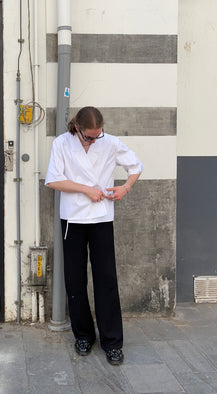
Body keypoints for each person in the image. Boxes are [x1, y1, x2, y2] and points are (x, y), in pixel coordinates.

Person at [45, 106, 144, 365]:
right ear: (77, 128)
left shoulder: (109, 142)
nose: (93, 139)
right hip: (73, 219)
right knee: (75, 281)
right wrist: (86, 189)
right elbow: (53, 180)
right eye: (88, 136)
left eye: (97, 135)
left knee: (106, 280)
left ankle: (112, 342)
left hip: (101, 218)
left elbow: (136, 166)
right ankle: (84, 336)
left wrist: (125, 188)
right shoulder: (62, 143)